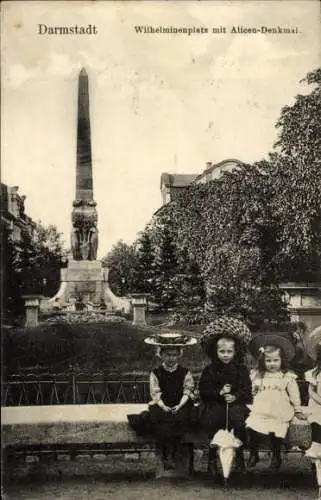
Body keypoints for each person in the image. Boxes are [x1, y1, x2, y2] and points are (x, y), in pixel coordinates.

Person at [127, 332, 197, 470]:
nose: (171, 358)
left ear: (179, 355)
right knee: (160, 420)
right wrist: (163, 406)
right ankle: (166, 455)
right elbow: (155, 393)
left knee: (181, 418)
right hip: (162, 404)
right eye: (168, 355)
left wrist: (179, 405)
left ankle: (175, 453)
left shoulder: (185, 372)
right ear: (161, 355)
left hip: (180, 403)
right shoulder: (156, 372)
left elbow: (187, 391)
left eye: (174, 355)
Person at [199, 316, 253, 475]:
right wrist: (219, 393)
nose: (226, 355)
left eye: (229, 351)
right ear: (215, 351)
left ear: (235, 352)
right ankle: (211, 457)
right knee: (214, 417)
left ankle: (240, 456)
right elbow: (204, 391)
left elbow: (247, 390)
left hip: (235, 404)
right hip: (215, 403)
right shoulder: (210, 370)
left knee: (238, 418)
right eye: (222, 351)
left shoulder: (241, 370)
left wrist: (235, 396)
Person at [246, 333, 306, 471]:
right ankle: (254, 453)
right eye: (268, 361)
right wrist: (253, 390)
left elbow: (294, 394)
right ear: (263, 361)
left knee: (275, 428)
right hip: (261, 408)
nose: (272, 364)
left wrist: (297, 409)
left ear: (281, 360)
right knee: (250, 425)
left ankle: (276, 455)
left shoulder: (286, 376)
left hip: (279, 408)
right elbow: (251, 391)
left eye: (275, 360)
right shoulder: (258, 374)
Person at [304, 326, 321, 498]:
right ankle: (316, 457)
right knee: (317, 420)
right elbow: (310, 391)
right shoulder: (315, 373)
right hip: (318, 405)